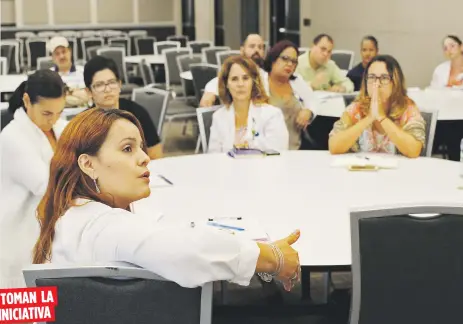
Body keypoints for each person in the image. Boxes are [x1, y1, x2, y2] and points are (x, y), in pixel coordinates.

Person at [32, 108, 301, 290]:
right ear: (88, 165)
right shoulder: (102, 226)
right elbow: (186, 251)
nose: (144, 157)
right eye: (127, 149)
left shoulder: (74, 214)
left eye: (141, 147)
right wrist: (271, 257)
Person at [0, 70, 67, 288]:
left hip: (49, 235)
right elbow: (46, 184)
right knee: (23, 314)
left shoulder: (59, 126)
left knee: (47, 315)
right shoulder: (11, 137)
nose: (53, 119)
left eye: (59, 112)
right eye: (47, 113)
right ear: (27, 100)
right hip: (18, 237)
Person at [329, 55, 425, 158]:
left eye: (384, 78)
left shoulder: (407, 108)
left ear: (395, 82)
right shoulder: (357, 108)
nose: (376, 84)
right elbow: (334, 146)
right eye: (371, 77)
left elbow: (414, 150)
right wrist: (370, 117)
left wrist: (382, 117)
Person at [83, 56, 163, 159]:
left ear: (120, 84)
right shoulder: (84, 122)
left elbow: (155, 155)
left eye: (112, 82)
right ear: (89, 92)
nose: (107, 89)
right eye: (99, 85)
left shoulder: (137, 114)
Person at [208, 56, 288, 153]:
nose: (240, 84)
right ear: (226, 84)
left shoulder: (272, 115)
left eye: (245, 78)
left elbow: (279, 151)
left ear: (253, 82)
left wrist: (251, 144)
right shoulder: (218, 117)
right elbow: (213, 157)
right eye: (234, 79)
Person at [262, 40, 317, 150]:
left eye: (294, 61)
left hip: (296, 149)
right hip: (266, 149)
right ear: (273, 59)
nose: (289, 64)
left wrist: (308, 112)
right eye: (285, 59)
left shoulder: (296, 81)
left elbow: (313, 101)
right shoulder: (260, 80)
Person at [200, 34, 267, 107]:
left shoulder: (267, 76)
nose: (256, 50)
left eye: (260, 47)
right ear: (242, 50)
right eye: (252, 46)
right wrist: (210, 92)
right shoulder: (235, 71)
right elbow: (218, 81)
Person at [48, 36, 88, 107]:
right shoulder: (48, 75)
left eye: (64, 51)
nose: (61, 56)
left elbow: (87, 97)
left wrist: (66, 92)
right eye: (57, 53)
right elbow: (49, 101)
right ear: (52, 57)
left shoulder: (84, 71)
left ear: (70, 52)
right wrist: (75, 93)